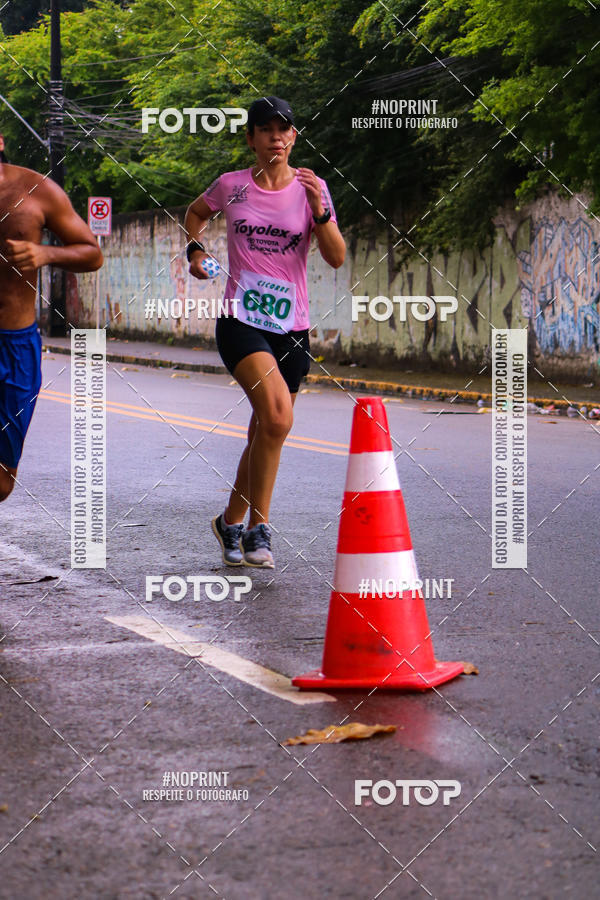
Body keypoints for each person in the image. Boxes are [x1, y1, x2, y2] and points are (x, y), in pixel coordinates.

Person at [185, 96, 345, 569]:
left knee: (264, 431)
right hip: (241, 320)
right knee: (276, 419)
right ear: (252, 137)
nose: (277, 136)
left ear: (294, 137)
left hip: (291, 327)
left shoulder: (313, 189)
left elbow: (335, 257)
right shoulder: (231, 187)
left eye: (285, 129)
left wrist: (318, 209)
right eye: (266, 129)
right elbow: (196, 213)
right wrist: (196, 254)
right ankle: (259, 529)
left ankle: (228, 521)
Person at [0, 162, 103, 501]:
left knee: (2, 482)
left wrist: (44, 253)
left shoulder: (36, 190)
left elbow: (91, 253)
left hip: (15, 345)